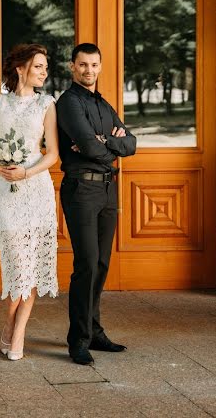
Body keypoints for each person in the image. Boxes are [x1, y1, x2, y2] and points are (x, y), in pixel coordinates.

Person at [0, 43, 60, 361]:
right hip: (6, 191)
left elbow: (52, 153)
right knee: (16, 262)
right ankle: (10, 323)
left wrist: (26, 172)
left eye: (45, 67)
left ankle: (17, 331)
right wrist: (1, 168)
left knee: (33, 263)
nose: (44, 72)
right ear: (21, 68)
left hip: (36, 189)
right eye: (38, 66)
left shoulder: (47, 105)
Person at [56, 42, 137, 365]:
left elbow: (131, 143)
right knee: (87, 264)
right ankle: (77, 340)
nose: (88, 70)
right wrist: (105, 146)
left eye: (94, 65)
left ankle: (94, 330)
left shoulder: (103, 104)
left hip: (107, 191)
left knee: (102, 264)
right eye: (83, 65)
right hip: (81, 191)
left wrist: (109, 142)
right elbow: (88, 145)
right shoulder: (68, 102)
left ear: (100, 67)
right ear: (72, 67)